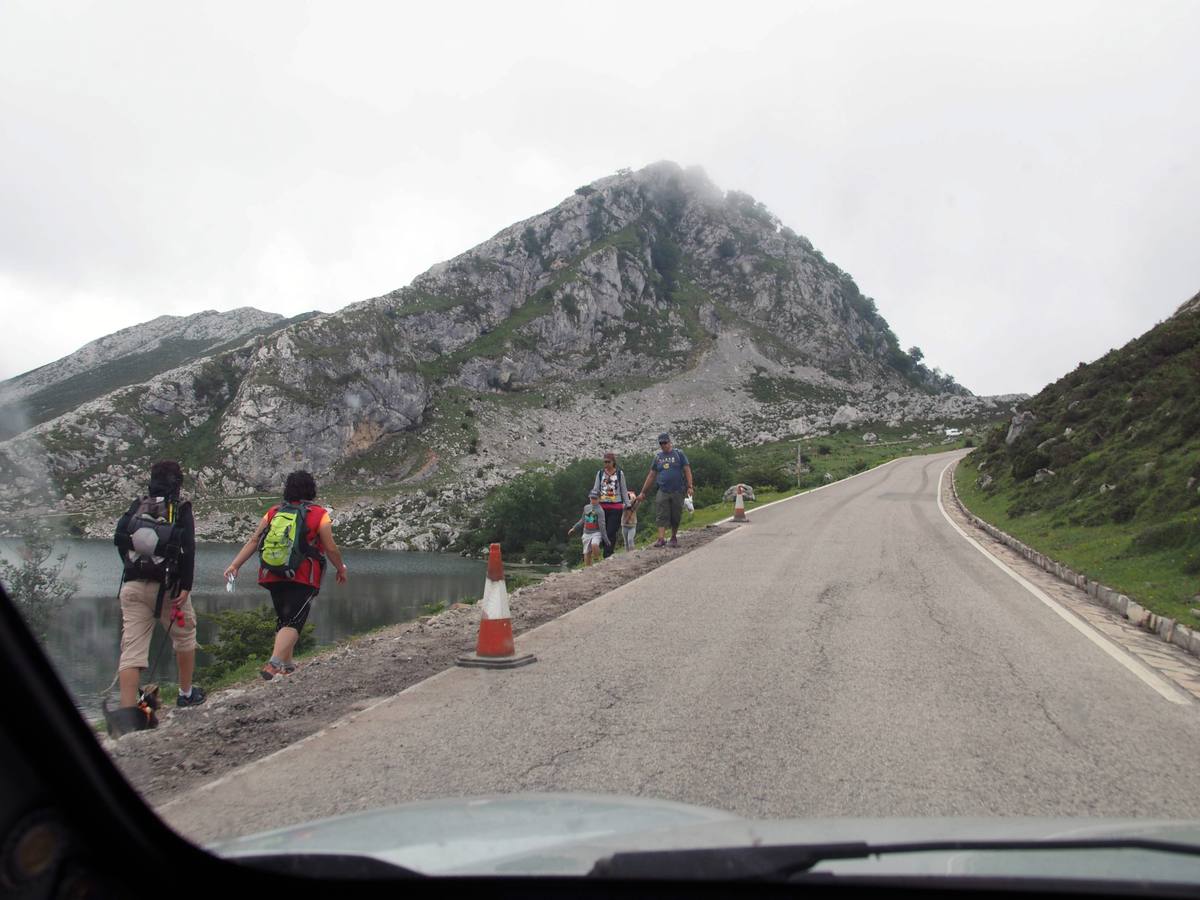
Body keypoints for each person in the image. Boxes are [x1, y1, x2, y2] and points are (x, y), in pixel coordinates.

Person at [223, 470, 348, 680]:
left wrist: (235, 564)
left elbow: (254, 540)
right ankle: (273, 664)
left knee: (284, 618)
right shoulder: (319, 514)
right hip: (302, 577)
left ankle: (287, 665)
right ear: (311, 490)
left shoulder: (273, 511)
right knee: (294, 622)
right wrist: (340, 568)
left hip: (273, 574)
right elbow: (330, 546)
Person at [114, 459, 205, 711]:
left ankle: (126, 712)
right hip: (169, 589)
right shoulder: (180, 508)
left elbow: (120, 539)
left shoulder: (137, 505)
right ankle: (186, 693)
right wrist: (186, 585)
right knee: (185, 637)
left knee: (132, 649)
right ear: (177, 483)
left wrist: (130, 567)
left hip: (132, 585)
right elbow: (188, 549)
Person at [635, 432, 694, 548]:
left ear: (669, 442)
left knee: (676, 515)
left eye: (665, 442)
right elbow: (651, 475)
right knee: (661, 514)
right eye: (661, 443)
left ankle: (673, 537)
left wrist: (690, 486)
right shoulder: (658, 457)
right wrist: (643, 492)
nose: (663, 445)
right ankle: (661, 538)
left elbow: (687, 470)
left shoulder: (679, 454)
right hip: (663, 490)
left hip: (678, 490)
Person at [591, 452, 633, 558]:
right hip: (602, 506)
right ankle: (607, 553)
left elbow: (624, 489)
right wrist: (593, 503)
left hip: (616, 506)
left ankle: (608, 553)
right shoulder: (600, 473)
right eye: (604, 462)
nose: (606, 464)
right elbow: (596, 489)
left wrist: (628, 505)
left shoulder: (619, 474)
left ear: (613, 462)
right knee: (603, 531)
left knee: (611, 530)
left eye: (608, 462)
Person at [566, 488, 610, 567]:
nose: (593, 500)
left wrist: (605, 539)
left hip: (596, 532)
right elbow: (582, 520)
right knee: (587, 553)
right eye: (591, 498)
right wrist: (574, 528)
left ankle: (596, 560)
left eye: (595, 498)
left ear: (599, 499)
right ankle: (588, 569)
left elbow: (602, 525)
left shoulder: (600, 511)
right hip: (586, 532)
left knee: (594, 544)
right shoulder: (586, 507)